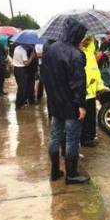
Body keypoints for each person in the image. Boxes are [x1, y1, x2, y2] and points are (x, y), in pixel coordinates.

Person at [42, 17, 89, 184]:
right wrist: (81, 105)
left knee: (55, 137)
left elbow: (44, 77)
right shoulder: (75, 54)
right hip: (70, 105)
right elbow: (78, 83)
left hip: (55, 102)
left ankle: (55, 171)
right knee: (72, 139)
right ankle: (71, 174)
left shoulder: (50, 49)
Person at [80, 36, 108, 147]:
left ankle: (90, 137)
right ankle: (85, 139)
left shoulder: (90, 55)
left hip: (91, 90)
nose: (89, 42)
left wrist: (99, 87)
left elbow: (95, 73)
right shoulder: (82, 55)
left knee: (91, 116)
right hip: (86, 90)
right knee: (86, 116)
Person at [12, 43, 35, 109]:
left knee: (20, 87)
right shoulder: (23, 51)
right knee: (22, 88)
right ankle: (19, 104)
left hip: (16, 69)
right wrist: (31, 56)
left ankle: (21, 102)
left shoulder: (16, 48)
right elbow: (26, 63)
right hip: (21, 70)